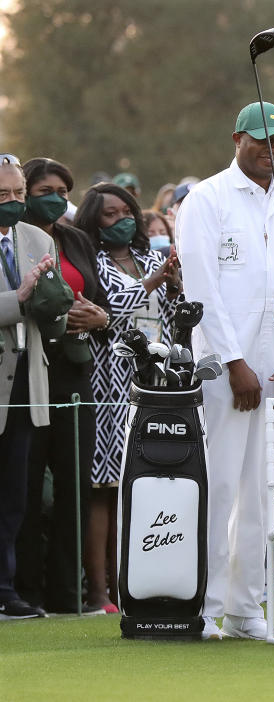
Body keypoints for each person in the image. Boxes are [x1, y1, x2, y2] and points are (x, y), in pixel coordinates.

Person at [177, 101, 274, 641]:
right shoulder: (207, 200)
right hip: (223, 367)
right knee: (219, 484)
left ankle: (245, 607)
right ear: (237, 139)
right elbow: (201, 289)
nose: (272, 149)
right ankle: (204, 606)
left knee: (265, 490)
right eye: (261, 140)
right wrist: (234, 362)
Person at [74, 181, 182, 613]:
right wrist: (156, 280)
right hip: (110, 384)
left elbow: (171, 320)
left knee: (141, 486)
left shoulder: (149, 257)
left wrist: (172, 287)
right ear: (94, 222)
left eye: (126, 212)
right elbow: (111, 310)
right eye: (110, 214)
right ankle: (99, 594)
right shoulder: (92, 263)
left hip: (154, 381)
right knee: (106, 485)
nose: (122, 220)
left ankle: (132, 586)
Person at [15, 158, 109, 615]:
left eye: (63, 189)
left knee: (75, 484)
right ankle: (25, 590)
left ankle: (68, 596)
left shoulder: (76, 239)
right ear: (25, 192)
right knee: (27, 484)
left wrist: (99, 318)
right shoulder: (15, 238)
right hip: (27, 370)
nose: (55, 196)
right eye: (45, 188)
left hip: (75, 372)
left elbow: (102, 302)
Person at [0, 154, 57, 620]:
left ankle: (7, 588)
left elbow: (49, 310)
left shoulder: (38, 238)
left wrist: (56, 306)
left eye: (18, 193)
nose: (14, 202)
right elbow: (18, 301)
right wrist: (16, 298)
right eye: (3, 196)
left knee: (15, 491)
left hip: (25, 379)